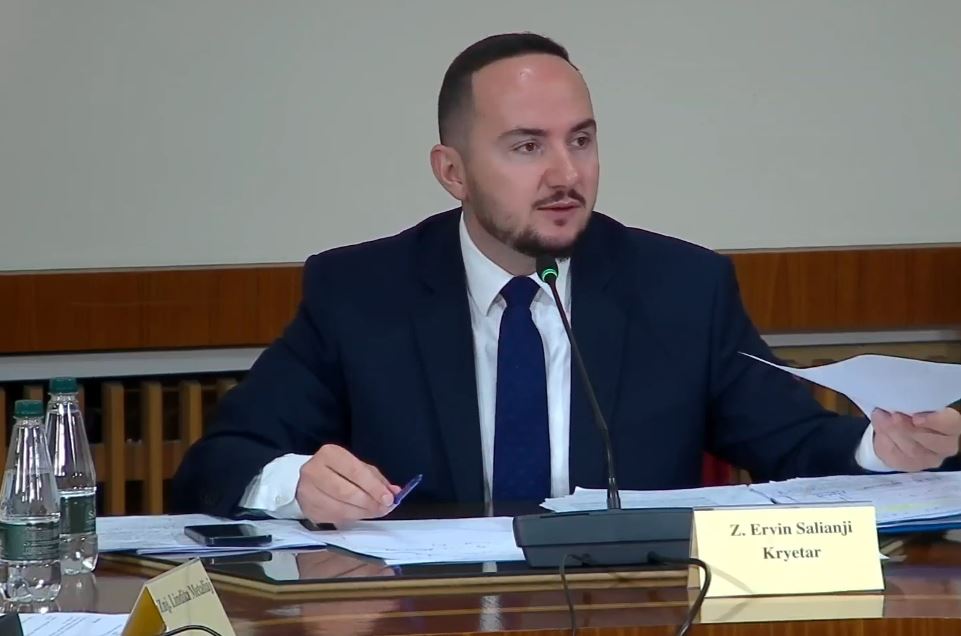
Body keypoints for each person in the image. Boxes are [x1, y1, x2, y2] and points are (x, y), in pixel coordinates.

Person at [172, 32, 961, 524]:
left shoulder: (679, 288)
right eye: (526, 147)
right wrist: (296, 482)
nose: (565, 173)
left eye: (580, 140)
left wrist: (887, 449)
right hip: (427, 616)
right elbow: (220, 460)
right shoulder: (360, 293)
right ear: (452, 171)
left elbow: (792, 442)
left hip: (633, 613)